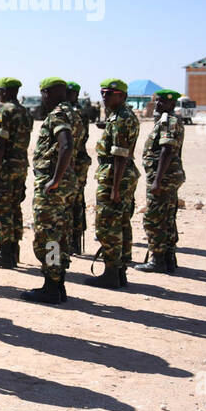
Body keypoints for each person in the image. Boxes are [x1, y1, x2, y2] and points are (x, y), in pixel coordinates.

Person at [20, 79, 76, 304]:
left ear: (47, 93)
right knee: (60, 234)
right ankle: (57, 284)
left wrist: (54, 179)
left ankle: (51, 287)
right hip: (66, 183)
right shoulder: (73, 113)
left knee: (49, 237)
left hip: (54, 187)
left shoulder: (58, 115)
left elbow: (67, 145)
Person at [86, 78, 140, 288]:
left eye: (109, 93)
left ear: (122, 96)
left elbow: (120, 155)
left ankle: (111, 273)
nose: (105, 97)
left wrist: (115, 188)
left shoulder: (121, 119)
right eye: (103, 93)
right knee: (121, 223)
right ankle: (119, 271)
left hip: (115, 176)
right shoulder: (118, 116)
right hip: (120, 174)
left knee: (108, 225)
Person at [0, 77, 33, 268]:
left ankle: (4, 253)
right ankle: (13, 250)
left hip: (4, 168)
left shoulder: (4, 112)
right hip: (20, 167)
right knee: (14, 207)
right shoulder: (25, 112)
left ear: (5, 92)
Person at [136, 89, 185, 274]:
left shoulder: (168, 121)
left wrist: (157, 180)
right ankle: (169, 259)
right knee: (168, 217)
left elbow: (166, 150)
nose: (158, 104)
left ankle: (158, 260)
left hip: (163, 178)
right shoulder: (173, 120)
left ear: (172, 104)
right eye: (157, 101)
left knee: (155, 218)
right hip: (170, 177)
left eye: (162, 102)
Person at [66, 81, 92, 255]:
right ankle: (73, 240)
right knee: (76, 201)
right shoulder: (79, 112)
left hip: (75, 161)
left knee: (72, 202)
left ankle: (73, 240)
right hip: (78, 160)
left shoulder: (73, 114)